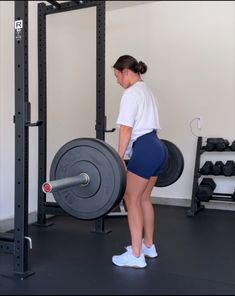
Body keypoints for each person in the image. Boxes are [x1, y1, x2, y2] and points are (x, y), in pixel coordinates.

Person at [111, 55, 168, 269]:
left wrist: (118, 157)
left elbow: (126, 128)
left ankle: (136, 255)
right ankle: (148, 246)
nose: (117, 81)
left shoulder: (131, 93)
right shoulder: (147, 91)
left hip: (145, 148)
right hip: (158, 147)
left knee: (130, 198)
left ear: (126, 72)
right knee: (144, 198)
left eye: (117, 76)